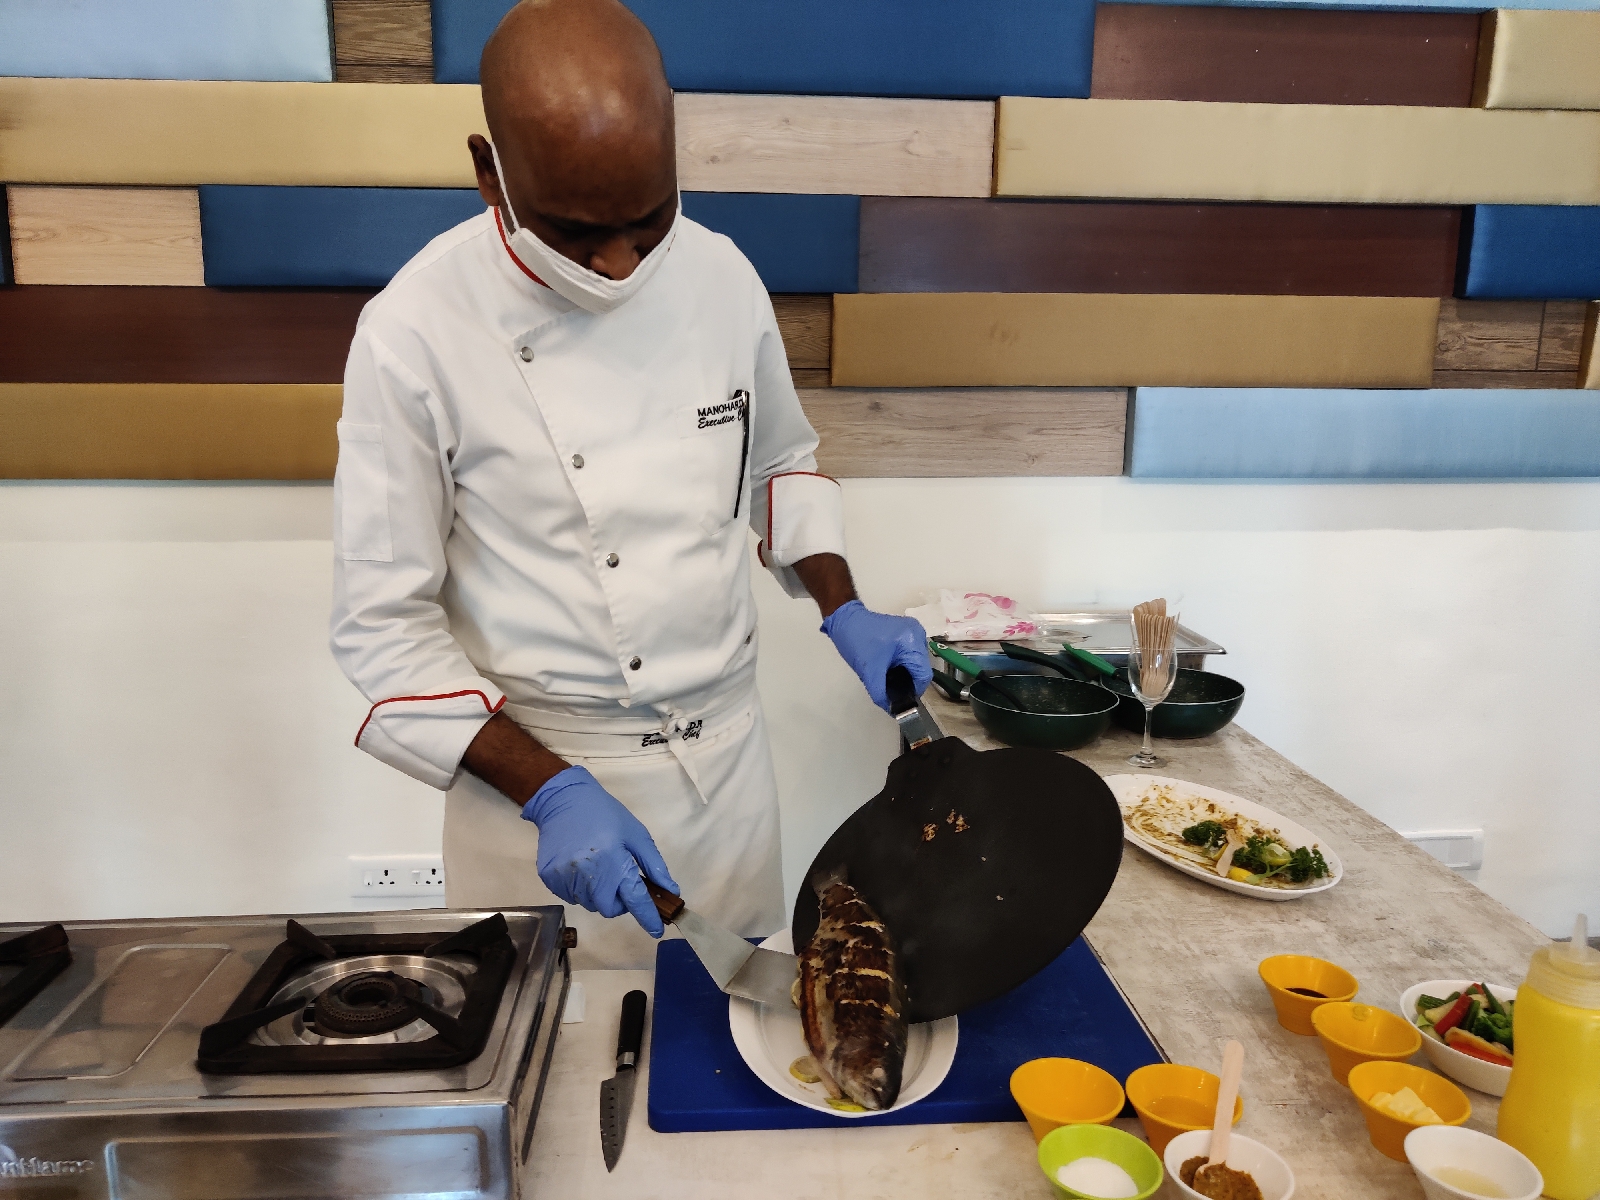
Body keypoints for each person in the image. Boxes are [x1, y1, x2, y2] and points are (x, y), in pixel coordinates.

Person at [329, 0, 930, 967]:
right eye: (577, 235)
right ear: (489, 171)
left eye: (649, 224)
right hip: (539, 809)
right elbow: (381, 625)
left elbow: (778, 462)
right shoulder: (412, 334)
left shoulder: (723, 278)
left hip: (727, 784)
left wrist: (843, 604)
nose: (618, 266)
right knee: (557, 1048)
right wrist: (551, 793)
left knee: (747, 1036)